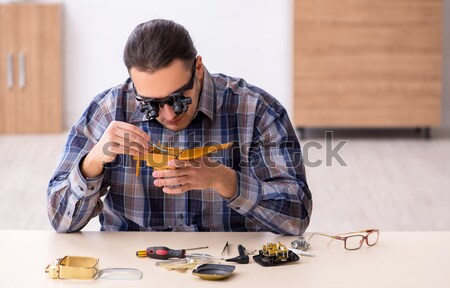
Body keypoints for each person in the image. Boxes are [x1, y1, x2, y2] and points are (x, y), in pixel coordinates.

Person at [48, 19, 312, 234]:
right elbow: (60, 221)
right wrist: (93, 161)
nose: (169, 114)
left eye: (178, 99)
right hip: (135, 269)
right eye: (150, 103)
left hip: (229, 265)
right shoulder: (109, 109)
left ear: (198, 68)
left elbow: (297, 217)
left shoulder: (256, 109)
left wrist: (227, 181)